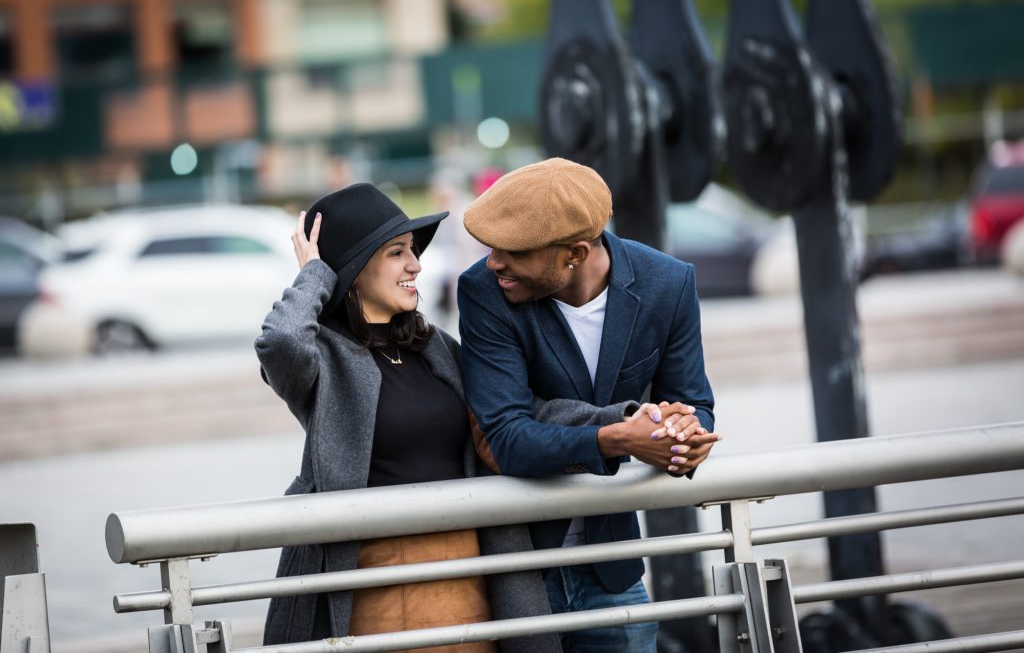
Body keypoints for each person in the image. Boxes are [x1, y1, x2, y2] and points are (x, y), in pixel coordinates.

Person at [256, 182, 565, 651]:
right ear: (355, 270)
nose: (416, 265)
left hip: (469, 572)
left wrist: (622, 422)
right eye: (397, 252)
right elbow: (279, 342)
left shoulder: (432, 345)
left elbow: (522, 409)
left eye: (413, 251)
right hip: (373, 583)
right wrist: (317, 275)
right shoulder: (323, 360)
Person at [457, 157, 721, 652]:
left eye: (512, 251)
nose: (494, 261)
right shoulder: (484, 291)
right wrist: (619, 437)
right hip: (519, 568)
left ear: (575, 253)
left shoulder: (669, 283)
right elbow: (506, 437)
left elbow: (694, 403)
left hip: (613, 569)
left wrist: (685, 434)